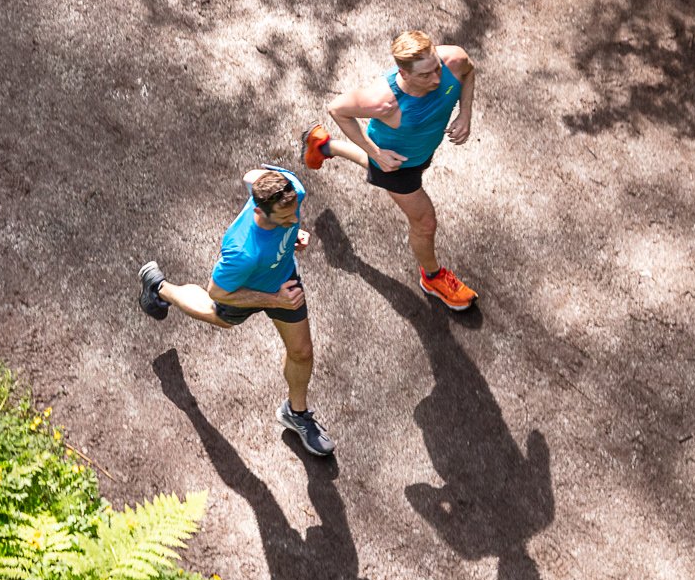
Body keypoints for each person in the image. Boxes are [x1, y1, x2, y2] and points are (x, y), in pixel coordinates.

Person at [137, 166, 335, 456]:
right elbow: (217, 291)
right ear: (260, 211)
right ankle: (159, 288)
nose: (293, 219)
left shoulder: (290, 189)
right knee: (216, 313)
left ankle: (296, 413)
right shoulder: (242, 252)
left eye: (294, 213)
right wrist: (273, 300)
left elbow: (252, 175)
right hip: (245, 289)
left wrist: (291, 234)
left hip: (282, 279)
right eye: (285, 218)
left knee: (302, 352)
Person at [302, 28, 480, 311]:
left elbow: (468, 72)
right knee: (424, 221)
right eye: (425, 75)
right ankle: (432, 278)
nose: (436, 79)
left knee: (378, 169)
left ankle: (324, 146)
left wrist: (466, 113)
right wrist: (376, 152)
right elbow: (338, 109)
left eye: (436, 68)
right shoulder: (384, 102)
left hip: (419, 152)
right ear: (404, 73)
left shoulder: (453, 61)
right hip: (397, 167)